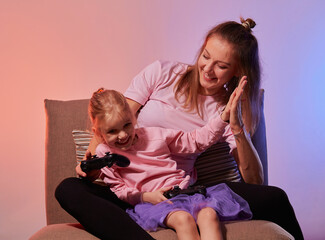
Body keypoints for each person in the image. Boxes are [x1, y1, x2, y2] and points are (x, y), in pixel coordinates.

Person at [55, 17, 304, 240]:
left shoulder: (227, 110)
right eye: (206, 56)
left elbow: (254, 181)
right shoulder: (162, 72)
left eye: (221, 65)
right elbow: (119, 118)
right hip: (132, 190)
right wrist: (93, 160)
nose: (207, 68)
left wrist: (235, 124)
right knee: (68, 188)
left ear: (237, 70)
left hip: (179, 191)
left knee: (276, 198)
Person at [79, 87, 252, 240]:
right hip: (153, 203)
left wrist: (223, 117)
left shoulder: (155, 135)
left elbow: (195, 141)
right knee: (183, 219)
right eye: (112, 131)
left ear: (134, 118)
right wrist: (146, 196)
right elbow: (119, 189)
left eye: (127, 125)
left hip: (185, 193)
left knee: (209, 214)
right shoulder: (104, 153)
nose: (123, 135)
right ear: (98, 132)